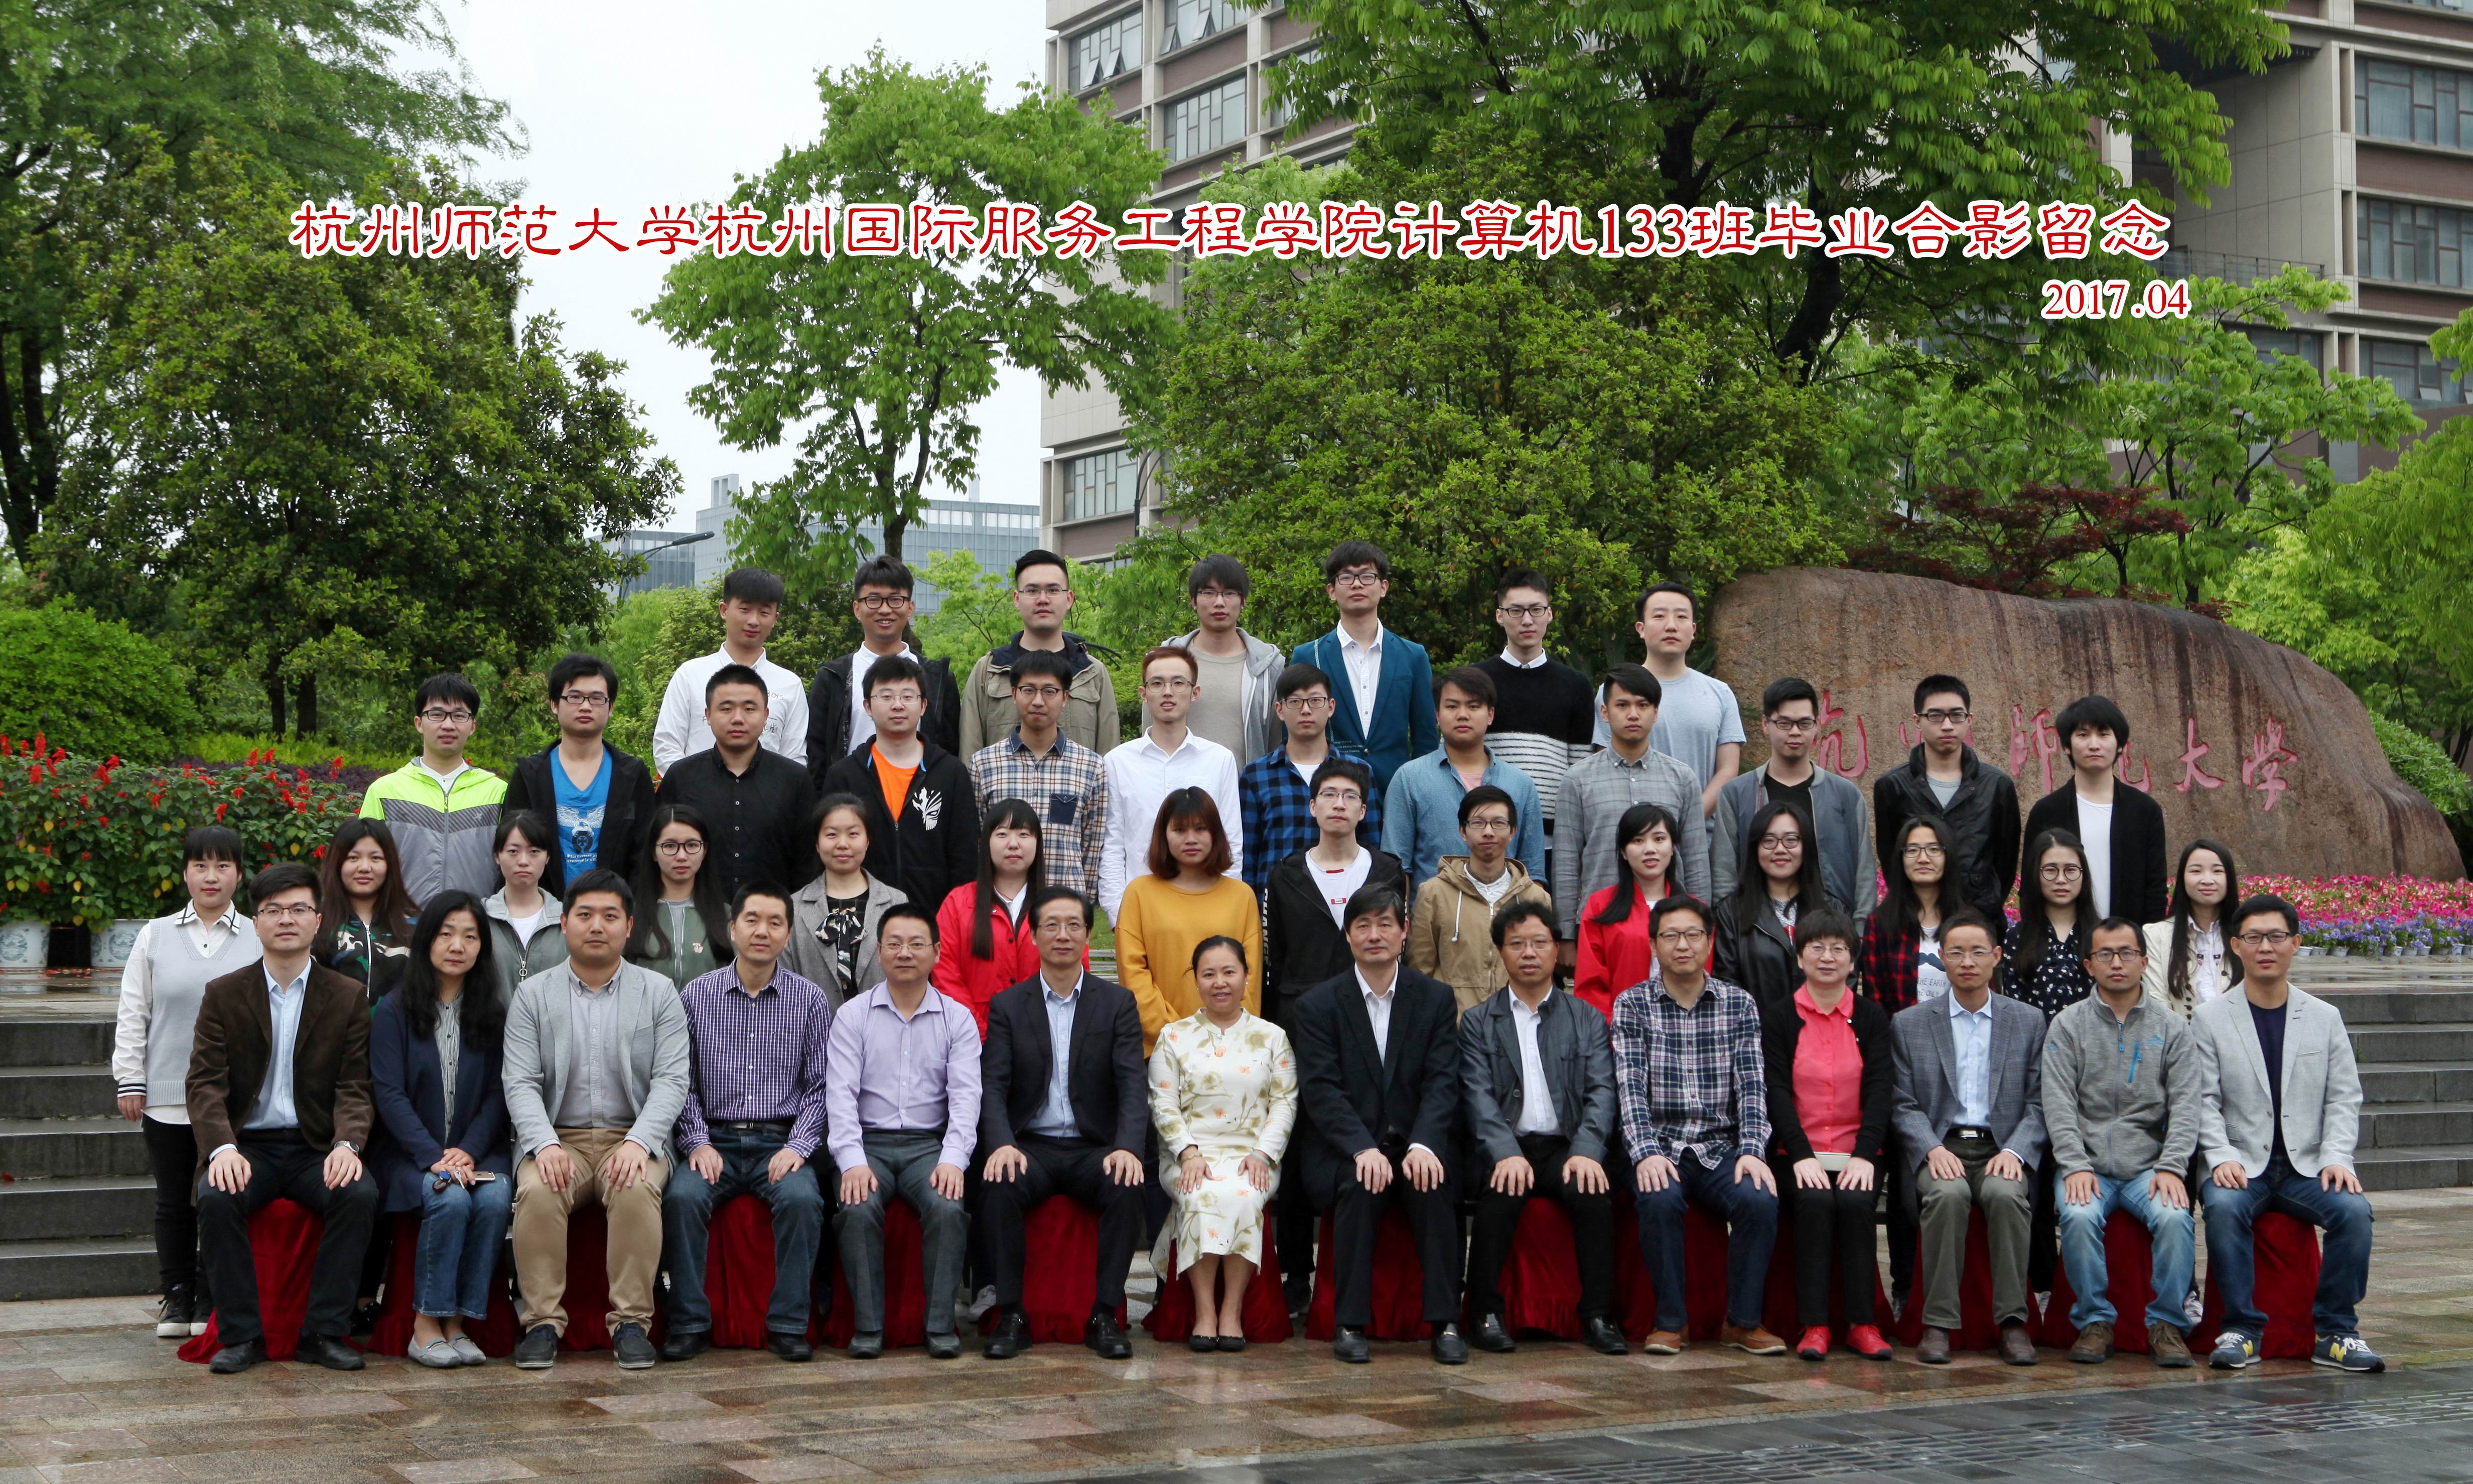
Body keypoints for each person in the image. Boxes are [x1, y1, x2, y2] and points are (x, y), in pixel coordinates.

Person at [187, 863, 380, 1375]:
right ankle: (241, 1336)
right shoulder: (224, 993)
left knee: (359, 1193)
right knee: (215, 1195)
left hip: (316, 1147)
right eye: (273, 910)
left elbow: (355, 1084)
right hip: (249, 1146)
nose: (286, 919)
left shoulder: (346, 996)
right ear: (256, 922)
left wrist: (348, 1144)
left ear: (318, 920)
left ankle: (324, 1331)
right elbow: (205, 1083)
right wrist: (222, 1148)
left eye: (298, 909)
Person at [501, 869, 693, 1372]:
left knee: (635, 1186)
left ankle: (631, 1323)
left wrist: (641, 1142)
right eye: (584, 915)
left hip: (630, 1135)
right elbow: (519, 1081)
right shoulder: (533, 994)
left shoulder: (658, 992)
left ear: (629, 926)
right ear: (564, 923)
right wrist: (543, 1144)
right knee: (538, 1189)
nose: (596, 926)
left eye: (610, 916)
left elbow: (672, 1079)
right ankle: (542, 1323)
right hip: (557, 1136)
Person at [2195, 894, 2383, 1373]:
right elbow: (2202, 1099)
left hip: (2308, 1166)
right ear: (2235, 945)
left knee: (2354, 1212)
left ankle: (2337, 1331)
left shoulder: (2324, 1017)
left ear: (2296, 943)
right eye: (2254, 937)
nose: (2266, 947)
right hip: (2242, 1163)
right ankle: (2241, 1328)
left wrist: (2337, 1156)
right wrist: (2220, 1155)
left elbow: (2343, 1096)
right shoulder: (2211, 1018)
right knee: (2223, 1207)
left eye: (2276, 936)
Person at [1289, 886, 1468, 1365]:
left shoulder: (1434, 998)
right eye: (1363, 925)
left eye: (1385, 924)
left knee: (1432, 1182)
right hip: (1347, 1147)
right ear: (1348, 936)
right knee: (1361, 1184)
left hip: (1414, 1141)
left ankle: (1446, 1322)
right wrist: (1361, 1147)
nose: (1375, 935)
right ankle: (1350, 1323)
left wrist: (1425, 1144)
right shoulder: (1318, 1005)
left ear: (1404, 931)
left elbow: (1442, 1082)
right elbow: (1322, 1090)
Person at [658, 883, 835, 1365]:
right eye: (752, 920)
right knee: (681, 1199)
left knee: (803, 1200)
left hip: (780, 1140)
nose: (763, 931)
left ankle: (789, 1325)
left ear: (788, 933)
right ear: (732, 928)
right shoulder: (697, 995)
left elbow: (820, 1086)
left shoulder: (810, 999)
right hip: (713, 1138)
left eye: (775, 922)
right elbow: (680, 1080)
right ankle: (689, 1323)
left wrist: (798, 1146)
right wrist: (696, 1141)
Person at [976, 887, 1148, 1361]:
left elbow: (1133, 1083)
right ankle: (1011, 1313)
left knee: (1128, 1184)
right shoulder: (1010, 1005)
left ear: (1088, 935)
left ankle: (1105, 1314)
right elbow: (993, 1085)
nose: (1063, 935)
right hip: (1031, 1145)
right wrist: (1001, 1143)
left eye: (1074, 924)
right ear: (1033, 936)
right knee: (998, 1184)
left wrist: (1128, 1146)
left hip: (1094, 1147)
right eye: (1051, 925)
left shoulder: (1116, 1002)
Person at [1611, 894, 1784, 1356]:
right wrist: (1645, 1152)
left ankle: (1742, 1321)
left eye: (1692, 935)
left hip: (1720, 1146)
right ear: (1653, 945)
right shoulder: (1632, 1005)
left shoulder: (1738, 1003)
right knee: (1659, 1198)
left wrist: (1753, 1149)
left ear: (1709, 941)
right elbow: (1630, 1088)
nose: (1682, 945)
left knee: (1759, 1199)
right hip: (1660, 1143)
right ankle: (1671, 1322)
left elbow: (1752, 1085)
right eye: (1670, 936)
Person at [1461, 899, 1627, 1357]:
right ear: (1501, 952)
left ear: (1557, 950)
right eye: (1517, 944)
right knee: (1502, 1191)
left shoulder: (1586, 1018)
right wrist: (1504, 1152)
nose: (1529, 952)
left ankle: (1598, 1315)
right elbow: (1477, 1097)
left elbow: (1602, 1091)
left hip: (1566, 1146)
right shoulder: (1478, 1022)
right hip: (1507, 1146)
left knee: (1593, 1191)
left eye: (1539, 942)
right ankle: (1484, 1313)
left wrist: (1588, 1149)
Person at [112, 826, 256, 1340]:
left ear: (239, 874)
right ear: (185, 873)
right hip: (168, 1095)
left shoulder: (257, 935)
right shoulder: (156, 934)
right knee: (174, 1201)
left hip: (234, 1101)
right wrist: (131, 1078)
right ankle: (176, 1293)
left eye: (222, 865)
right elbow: (134, 1009)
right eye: (200, 865)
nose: (211, 876)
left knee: (221, 1198)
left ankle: (211, 1291)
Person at [1888, 907, 2045, 1367]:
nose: (1968, 961)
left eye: (1978, 951)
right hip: (1944, 1143)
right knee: (1947, 1195)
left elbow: (2041, 1102)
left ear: (1997, 955)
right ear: (1942, 957)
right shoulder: (1911, 1023)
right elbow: (1902, 1103)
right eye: (1956, 952)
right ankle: (1938, 1324)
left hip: (2002, 1146)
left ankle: (2013, 1323)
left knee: (2006, 1196)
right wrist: (1931, 1148)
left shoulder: (2028, 1021)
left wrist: (2016, 1150)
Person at [824, 903, 982, 1360]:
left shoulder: (957, 1018)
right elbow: (840, 1097)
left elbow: (966, 1098)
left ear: (937, 951)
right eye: (894, 943)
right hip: (867, 1143)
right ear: (879, 951)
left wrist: (953, 1159)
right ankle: (869, 1327)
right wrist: (851, 1161)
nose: (905, 953)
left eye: (916, 944)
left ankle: (940, 1325)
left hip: (927, 1146)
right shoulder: (853, 1015)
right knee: (857, 1209)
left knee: (947, 1208)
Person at [2042, 917, 2200, 1367]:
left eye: (2127, 953)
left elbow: (2187, 1105)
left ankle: (2167, 1323)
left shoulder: (2172, 1027)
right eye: (2105, 954)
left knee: (2176, 1217)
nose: (2117, 962)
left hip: (2149, 1167)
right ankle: (2095, 1321)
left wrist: (2172, 1166)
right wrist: (2075, 1164)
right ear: (2089, 964)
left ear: (2144, 961)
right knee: (2078, 1215)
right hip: (2087, 1164)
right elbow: (2058, 1103)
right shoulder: (2068, 1025)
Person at [369, 891, 512, 1369]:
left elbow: (499, 1092)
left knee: (495, 1198)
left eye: (470, 936)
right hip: (409, 1155)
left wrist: (467, 1150)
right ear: (427, 939)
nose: (457, 945)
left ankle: (459, 1322)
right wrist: (434, 1156)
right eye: (447, 933)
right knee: (449, 1197)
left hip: (478, 1152)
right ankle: (426, 1323)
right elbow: (388, 1093)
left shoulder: (492, 1011)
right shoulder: (395, 1009)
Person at [1150, 935, 1299, 1351]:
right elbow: (1163, 1103)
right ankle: (1205, 1311)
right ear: (1196, 980)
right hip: (1189, 1154)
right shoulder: (1173, 1036)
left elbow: (1285, 1102)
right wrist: (1188, 1152)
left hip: (1253, 1154)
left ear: (1247, 976)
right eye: (1209, 974)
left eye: (1229, 972)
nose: (1220, 982)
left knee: (1244, 1193)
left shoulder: (1273, 1037)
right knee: (1200, 1193)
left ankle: (1232, 1310)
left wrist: (1263, 1153)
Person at [1760, 908, 1893, 1361]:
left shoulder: (1872, 1017)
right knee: (1815, 1202)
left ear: (1853, 960)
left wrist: (1865, 1154)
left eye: (1839, 948)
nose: (1828, 956)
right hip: (1797, 1152)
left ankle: (1862, 1324)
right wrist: (1800, 1153)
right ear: (1800, 957)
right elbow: (1776, 1091)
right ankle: (1814, 1323)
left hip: (1858, 1152)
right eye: (1816, 947)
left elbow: (1880, 1090)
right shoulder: (1780, 1017)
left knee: (1856, 1203)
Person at [1556, 665, 1710, 958]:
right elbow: (1566, 862)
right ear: (1604, 712)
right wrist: (1565, 935)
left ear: (1656, 712)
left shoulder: (1682, 778)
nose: (1633, 714)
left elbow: (1696, 861)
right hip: (1600, 926)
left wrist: (1703, 925)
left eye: (1643, 705)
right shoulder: (1578, 779)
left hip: (1674, 930)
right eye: (1622, 705)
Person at [819, 654, 980, 923]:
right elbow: (831, 853)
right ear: (868, 706)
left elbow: (965, 858)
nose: (898, 705)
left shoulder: (951, 773)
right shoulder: (844, 775)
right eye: (886, 697)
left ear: (924, 706)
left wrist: (958, 920)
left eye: (908, 696)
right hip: (861, 919)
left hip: (934, 921)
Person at [1099, 647, 1244, 923]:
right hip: (1140, 910)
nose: (1168, 692)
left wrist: (1225, 908)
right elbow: (1112, 845)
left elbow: (1231, 841)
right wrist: (1119, 915)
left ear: (1195, 692)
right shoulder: (1118, 762)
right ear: (1144, 694)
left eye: (1178, 683)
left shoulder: (1219, 760)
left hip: (1207, 909)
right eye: (1157, 683)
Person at [1711, 679, 1875, 918]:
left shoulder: (1845, 795)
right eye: (1784, 723)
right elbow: (1724, 875)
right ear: (1766, 725)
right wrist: (1730, 928)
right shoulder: (1737, 794)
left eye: (1804, 723)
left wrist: (1859, 929)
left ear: (1817, 725)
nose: (1795, 732)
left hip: (1833, 930)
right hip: (1756, 930)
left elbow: (1864, 874)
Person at [1115, 788, 1262, 1054]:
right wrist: (1177, 1033)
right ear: (1164, 835)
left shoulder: (1242, 896)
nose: (1191, 839)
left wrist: (1227, 1032)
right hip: (1161, 1048)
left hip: (1230, 1048)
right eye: (1180, 830)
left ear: (1215, 833)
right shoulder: (1139, 893)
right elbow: (1133, 973)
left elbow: (1250, 978)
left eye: (1201, 829)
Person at [654, 663, 818, 899]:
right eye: (726, 709)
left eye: (750, 709)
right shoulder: (681, 778)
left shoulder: (795, 780)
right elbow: (660, 851)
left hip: (773, 914)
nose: (738, 719)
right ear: (708, 715)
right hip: (699, 914)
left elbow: (807, 862)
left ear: (766, 716)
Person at [1264, 759, 1407, 1027]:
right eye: (1329, 794)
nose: (1339, 804)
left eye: (1350, 796)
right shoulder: (1285, 876)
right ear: (1313, 806)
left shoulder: (1388, 872)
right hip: (1303, 1014)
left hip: (1374, 1011)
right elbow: (1275, 956)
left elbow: (1399, 950)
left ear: (1363, 811)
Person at [504, 653, 657, 901]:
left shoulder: (632, 775)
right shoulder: (530, 775)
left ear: (611, 707)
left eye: (597, 698)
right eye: (574, 697)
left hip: (615, 913)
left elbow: (644, 855)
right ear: (555, 704)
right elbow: (511, 850)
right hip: (544, 912)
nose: (586, 707)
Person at [1289, 541, 1436, 794]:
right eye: (1346, 577)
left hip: (1397, 792)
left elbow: (1426, 740)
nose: (1357, 584)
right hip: (1330, 794)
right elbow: (1293, 734)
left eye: (1367, 576)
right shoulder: (1308, 655)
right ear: (1332, 591)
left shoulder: (1413, 656)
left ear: (1384, 587)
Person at [1382, 666, 1545, 890]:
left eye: (1473, 706)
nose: (1462, 714)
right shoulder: (1409, 778)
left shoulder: (1520, 784)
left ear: (1490, 715)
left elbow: (1533, 871)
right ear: (1437, 715)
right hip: (1433, 911)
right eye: (1452, 706)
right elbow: (1397, 868)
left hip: (1505, 910)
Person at [1871, 676, 2019, 921]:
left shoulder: (1996, 785)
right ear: (1918, 721)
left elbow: (2006, 862)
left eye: (1957, 715)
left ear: (1970, 720)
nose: (1948, 725)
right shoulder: (1893, 786)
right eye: (1936, 716)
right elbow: (1891, 858)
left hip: (1979, 921)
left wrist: (1986, 903)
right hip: (1915, 920)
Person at [1591, 584, 1743, 821]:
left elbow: (1728, 770)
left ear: (1693, 630)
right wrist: (1648, 829)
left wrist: (1688, 821)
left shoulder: (1720, 693)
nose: (1671, 626)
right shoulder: (1614, 692)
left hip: (1702, 834)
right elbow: (1607, 768)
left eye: (1681, 617)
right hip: (1632, 834)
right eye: (1659, 616)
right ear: (1641, 628)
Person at [967, 648, 1107, 904]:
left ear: (1065, 698)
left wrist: (1081, 903)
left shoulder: (1091, 766)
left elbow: (1093, 845)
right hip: (1002, 905)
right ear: (1014, 694)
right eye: (1028, 690)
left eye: (1049, 691)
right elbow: (978, 842)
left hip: (1064, 907)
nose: (1038, 701)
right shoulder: (984, 764)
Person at [1473, 570, 1596, 858]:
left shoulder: (1576, 685)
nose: (1527, 620)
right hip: (1486, 832)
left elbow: (1580, 768)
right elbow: (1457, 754)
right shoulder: (1476, 681)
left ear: (1549, 614)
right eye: (1516, 611)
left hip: (1553, 839)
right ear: (1500, 616)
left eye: (1536, 610)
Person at [806, 554, 964, 771]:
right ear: (857, 609)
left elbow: (950, 750)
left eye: (895, 600)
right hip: (850, 790)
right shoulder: (833, 677)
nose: (885, 609)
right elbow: (817, 754)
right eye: (873, 600)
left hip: (921, 791)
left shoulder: (938, 679)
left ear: (910, 608)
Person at [1238, 663, 1382, 900]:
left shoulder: (1359, 772)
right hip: (1277, 903)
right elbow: (1248, 856)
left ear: (1331, 707)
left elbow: (1372, 847)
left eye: (1315, 701)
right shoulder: (1256, 775)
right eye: (1295, 702)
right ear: (1280, 710)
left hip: (1346, 902)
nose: (1306, 710)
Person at [958, 550, 1121, 758]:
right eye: (1032, 591)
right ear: (1017, 599)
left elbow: (1109, 756)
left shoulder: (1093, 673)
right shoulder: (988, 670)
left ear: (1069, 599)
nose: (1043, 599)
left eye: (1053, 590)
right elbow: (969, 755)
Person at [359, 673, 507, 903]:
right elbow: (365, 864)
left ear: (473, 726)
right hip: (403, 922)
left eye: (459, 716)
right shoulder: (384, 792)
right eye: (437, 715)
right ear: (419, 723)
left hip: (477, 921)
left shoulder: (497, 793)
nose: (448, 725)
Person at [1407, 785, 1553, 1016]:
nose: (1488, 832)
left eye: (1499, 823)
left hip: (1517, 1022)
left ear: (1513, 831)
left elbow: (1543, 971)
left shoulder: (1535, 898)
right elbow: (1419, 969)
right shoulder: (1433, 893)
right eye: (1478, 823)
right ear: (1463, 831)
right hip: (1453, 1024)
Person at [2023, 694, 2168, 924]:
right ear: (2067, 746)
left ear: (2120, 745)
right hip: (2063, 939)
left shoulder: (2144, 811)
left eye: (2103, 734)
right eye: (2083, 735)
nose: (2094, 745)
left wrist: (2147, 939)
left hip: (2128, 938)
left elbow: (2155, 889)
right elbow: (2031, 886)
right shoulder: (2047, 811)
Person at [652, 567, 810, 772]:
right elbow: (667, 746)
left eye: (764, 613)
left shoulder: (790, 684)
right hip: (697, 791)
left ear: (775, 619)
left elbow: (794, 758)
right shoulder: (690, 675)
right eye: (745, 610)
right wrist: (694, 786)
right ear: (724, 610)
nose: (754, 621)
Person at [1713, 801, 1847, 1010]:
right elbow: (1726, 982)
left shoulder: (1833, 908)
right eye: (1769, 841)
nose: (1780, 849)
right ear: (1755, 848)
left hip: (1821, 1027)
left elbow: (1846, 978)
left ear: (1806, 846)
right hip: (1755, 1027)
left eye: (1791, 840)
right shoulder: (1730, 912)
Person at [932, 799, 1046, 1036]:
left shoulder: (1055, 905)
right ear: (986, 842)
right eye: (1002, 834)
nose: (1013, 844)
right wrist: (979, 1032)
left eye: (1024, 834)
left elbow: (1075, 971)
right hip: (971, 1039)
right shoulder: (958, 903)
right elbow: (945, 973)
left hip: (1044, 1038)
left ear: (1038, 843)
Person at [782, 794, 907, 1010]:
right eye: (832, 835)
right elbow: (784, 980)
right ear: (817, 843)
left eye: (853, 834)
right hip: (814, 1027)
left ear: (867, 841)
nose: (842, 844)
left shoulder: (896, 902)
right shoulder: (794, 907)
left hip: (882, 1025)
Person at [1163, 553, 1286, 763]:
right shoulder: (1167, 661)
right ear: (1193, 601)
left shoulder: (1268, 666)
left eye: (1230, 593)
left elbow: (1276, 741)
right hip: (1177, 783)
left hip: (1246, 783)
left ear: (1243, 600)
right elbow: (1151, 732)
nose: (1219, 602)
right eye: (1209, 593)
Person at [1574, 803, 1681, 1021]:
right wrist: (1615, 1029)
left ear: (1672, 847)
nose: (1649, 849)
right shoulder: (1600, 906)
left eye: (1659, 839)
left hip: (1684, 1031)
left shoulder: (1694, 911)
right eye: (1638, 841)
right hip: (1619, 1030)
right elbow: (1590, 986)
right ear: (1623, 852)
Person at [314, 818, 421, 1002]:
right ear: (337, 863)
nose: (364, 868)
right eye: (353, 858)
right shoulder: (315, 922)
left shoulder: (415, 925)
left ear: (390, 864)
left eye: (376, 858)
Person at [624, 806, 731, 990]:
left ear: (705, 851)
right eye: (670, 846)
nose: (682, 856)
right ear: (653, 852)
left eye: (692, 845)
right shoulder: (629, 916)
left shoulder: (729, 916)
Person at [1860, 815, 1959, 1013]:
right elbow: (1874, 999)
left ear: (1947, 856)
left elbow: (1982, 993)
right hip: (1900, 1031)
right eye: (1913, 850)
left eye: (1934, 849)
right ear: (1901, 858)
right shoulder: (1880, 924)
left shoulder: (1967, 923)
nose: (1923, 859)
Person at [2144, 840, 2242, 1019]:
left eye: (2217, 871)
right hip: (2179, 1036)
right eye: (2196, 871)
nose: (2207, 880)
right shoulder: (2156, 935)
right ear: (2182, 878)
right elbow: (2157, 1005)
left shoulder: (2247, 935)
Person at [2007, 830, 2099, 1018]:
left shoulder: (2101, 936)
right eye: (2051, 870)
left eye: (2071, 870)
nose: (2061, 880)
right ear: (2037, 874)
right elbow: (2014, 1009)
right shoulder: (2017, 937)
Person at [482, 812, 570, 1004]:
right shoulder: (479, 917)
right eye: (513, 851)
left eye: (534, 852)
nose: (523, 861)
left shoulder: (567, 920)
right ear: (497, 856)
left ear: (548, 857)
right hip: (491, 1023)